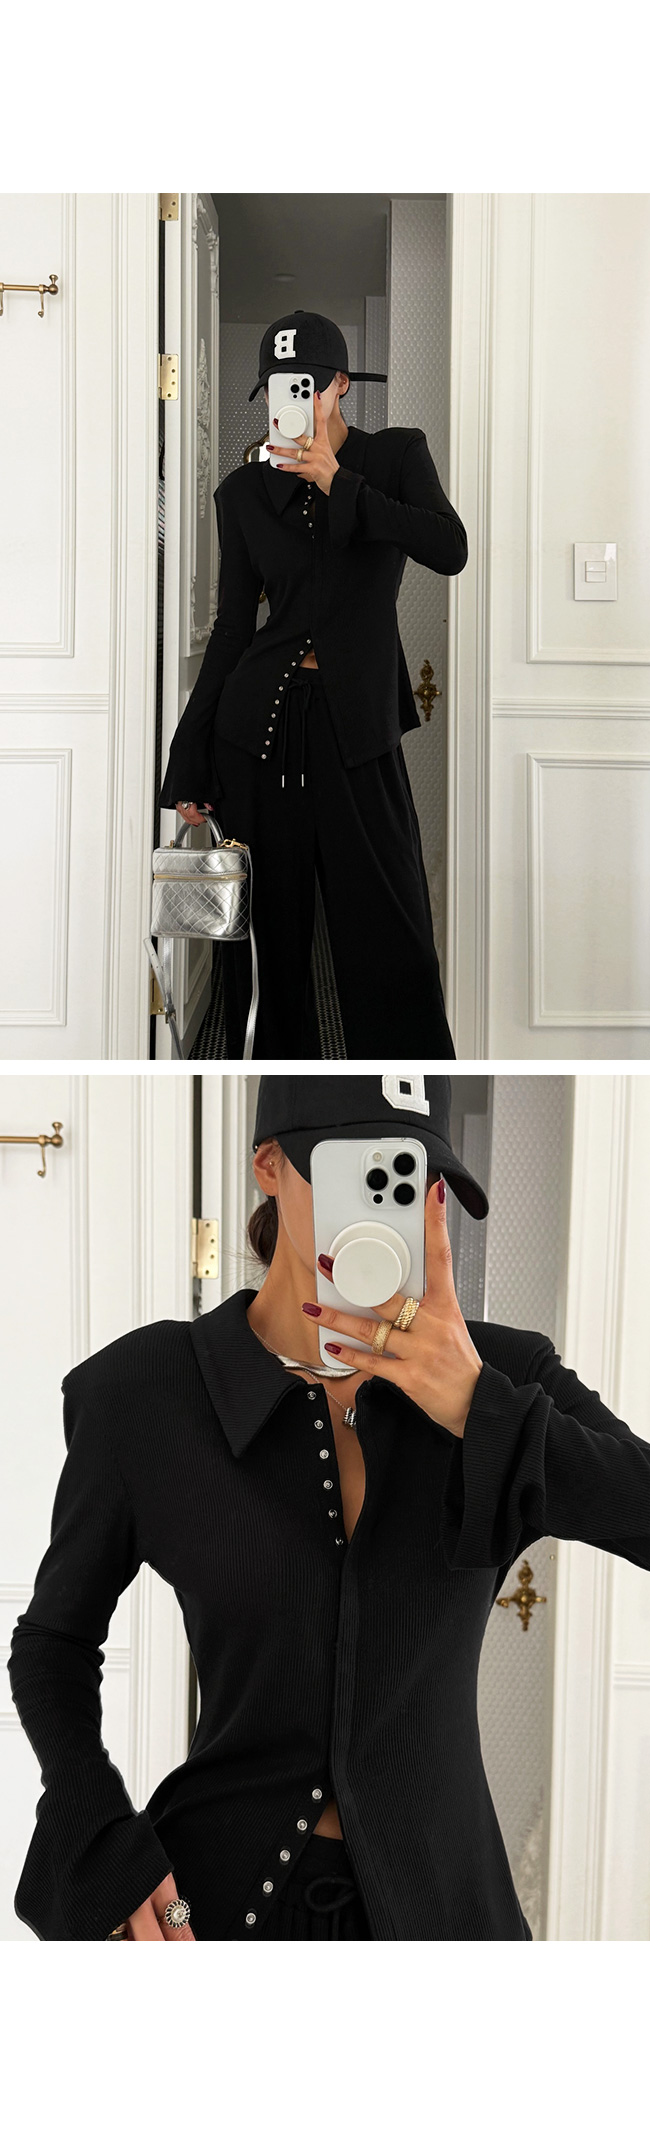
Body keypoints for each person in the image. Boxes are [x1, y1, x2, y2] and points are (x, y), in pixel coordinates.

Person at [11, 1072, 650, 1941]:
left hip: (445, 1914)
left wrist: (480, 1407)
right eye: (359, 1170)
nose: (386, 1208)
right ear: (269, 1164)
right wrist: (98, 1828)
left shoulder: (507, 1378)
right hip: (213, 1910)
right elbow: (52, 1642)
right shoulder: (146, 1391)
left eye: (417, 1177)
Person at [158, 310, 467, 1058]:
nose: (288, 400)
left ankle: (394, 1088)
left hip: (359, 729)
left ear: (338, 386)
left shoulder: (394, 456)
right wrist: (189, 759)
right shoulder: (242, 493)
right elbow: (233, 629)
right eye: (275, 386)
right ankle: (272, 1075)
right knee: (267, 944)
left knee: (392, 934)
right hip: (258, 732)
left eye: (305, 385)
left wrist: (339, 482)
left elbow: (449, 547)